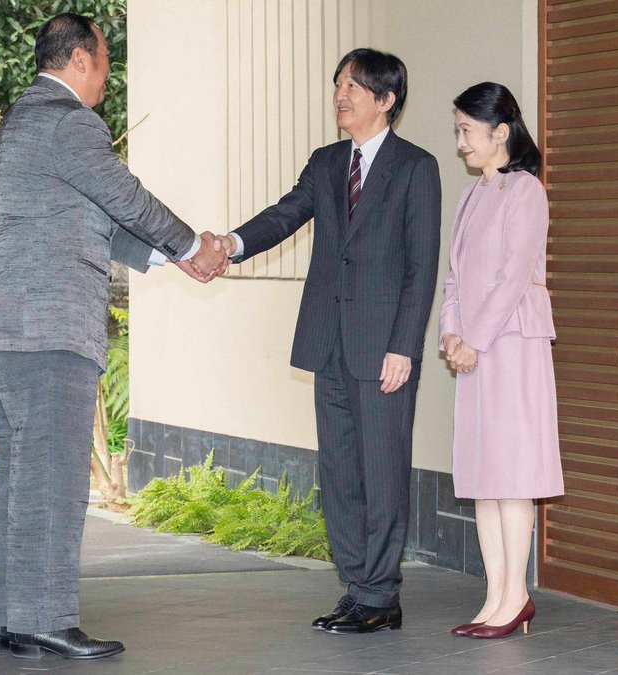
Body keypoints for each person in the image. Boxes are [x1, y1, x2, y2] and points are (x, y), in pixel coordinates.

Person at [0, 12, 227, 661]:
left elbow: (100, 220)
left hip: (6, 326)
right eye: (105, 61)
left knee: (21, 476)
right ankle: (47, 616)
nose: (108, 76)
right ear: (80, 59)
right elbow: (126, 197)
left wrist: (174, 259)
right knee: (53, 478)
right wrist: (195, 242)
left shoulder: (21, 122)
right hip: (47, 327)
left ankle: (7, 615)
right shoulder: (69, 122)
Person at [214, 48, 441, 634]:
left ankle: (382, 594)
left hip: (382, 348)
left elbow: (422, 266)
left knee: (383, 471)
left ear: (386, 99)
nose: (341, 95)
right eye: (338, 84)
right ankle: (357, 583)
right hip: (329, 341)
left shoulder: (417, 167)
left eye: (355, 87)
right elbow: (284, 216)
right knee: (338, 469)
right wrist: (230, 244)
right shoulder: (325, 162)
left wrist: (405, 346)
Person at [439, 82, 562, 640]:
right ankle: (494, 595)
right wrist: (450, 334)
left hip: (510, 345)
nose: (461, 141)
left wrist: (475, 339)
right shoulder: (472, 195)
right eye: (459, 129)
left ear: (500, 133)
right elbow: (455, 279)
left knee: (512, 474)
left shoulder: (526, 190)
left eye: (468, 130)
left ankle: (517, 596)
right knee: (484, 475)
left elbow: (514, 277)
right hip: (474, 351)